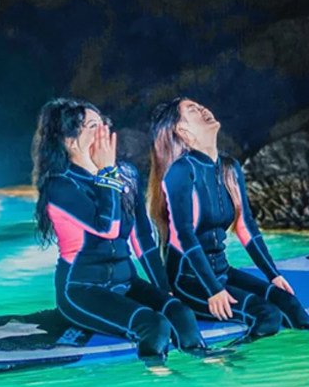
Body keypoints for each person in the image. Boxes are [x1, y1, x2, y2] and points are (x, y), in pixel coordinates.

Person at [32, 97, 217, 365]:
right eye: (92, 126)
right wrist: (106, 171)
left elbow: (142, 237)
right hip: (82, 289)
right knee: (154, 325)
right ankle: (161, 377)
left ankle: (208, 364)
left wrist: (163, 288)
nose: (104, 131)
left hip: (126, 282)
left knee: (181, 313)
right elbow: (107, 228)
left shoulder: (127, 174)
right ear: (70, 142)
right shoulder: (60, 186)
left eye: (103, 123)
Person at [147, 97, 309, 340]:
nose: (204, 109)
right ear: (182, 131)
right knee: (267, 315)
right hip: (190, 280)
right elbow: (183, 237)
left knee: (287, 301)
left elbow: (246, 227)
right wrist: (214, 290)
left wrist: (273, 275)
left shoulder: (229, 167)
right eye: (193, 110)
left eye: (201, 106)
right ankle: (233, 358)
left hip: (222, 270)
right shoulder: (181, 171)